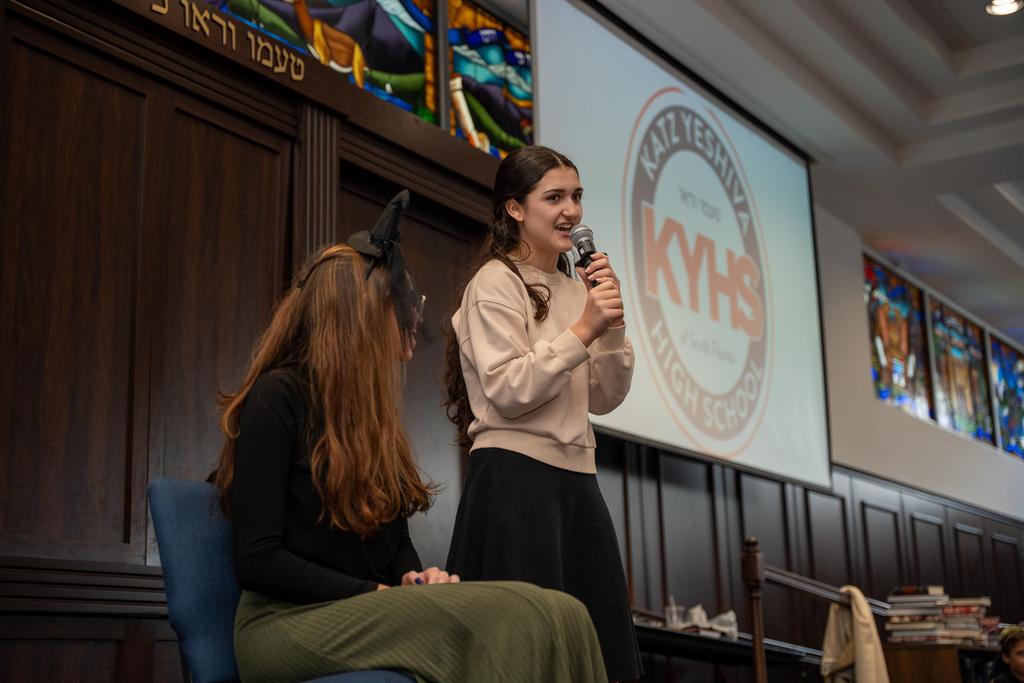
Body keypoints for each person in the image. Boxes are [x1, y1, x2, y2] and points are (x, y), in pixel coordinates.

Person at [212, 191, 607, 683]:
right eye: (401, 307)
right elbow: (258, 561)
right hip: (285, 625)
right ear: (359, 317)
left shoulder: (370, 415)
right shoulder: (277, 397)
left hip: (365, 610)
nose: (413, 321)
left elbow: (394, 543)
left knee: (562, 612)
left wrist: (414, 577)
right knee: (510, 620)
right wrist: (382, 594)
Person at [443, 146, 642, 681]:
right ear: (515, 208)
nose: (570, 211)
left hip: (578, 480)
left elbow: (604, 397)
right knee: (521, 656)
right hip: (514, 480)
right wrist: (584, 330)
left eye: (576, 197)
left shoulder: (580, 290)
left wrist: (611, 326)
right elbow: (509, 389)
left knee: (598, 653)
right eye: (553, 198)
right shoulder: (495, 282)